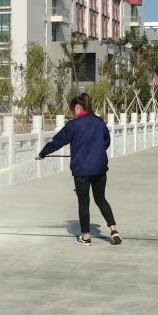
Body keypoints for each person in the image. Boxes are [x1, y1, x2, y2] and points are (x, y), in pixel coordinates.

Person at [37, 96, 122, 245]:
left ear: (77, 107)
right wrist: (94, 149)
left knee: (84, 203)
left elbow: (58, 141)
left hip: (82, 170)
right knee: (101, 199)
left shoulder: (74, 125)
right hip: (99, 168)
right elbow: (106, 142)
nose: (73, 113)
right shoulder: (99, 122)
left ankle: (86, 237)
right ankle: (114, 231)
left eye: (73, 110)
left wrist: (43, 153)